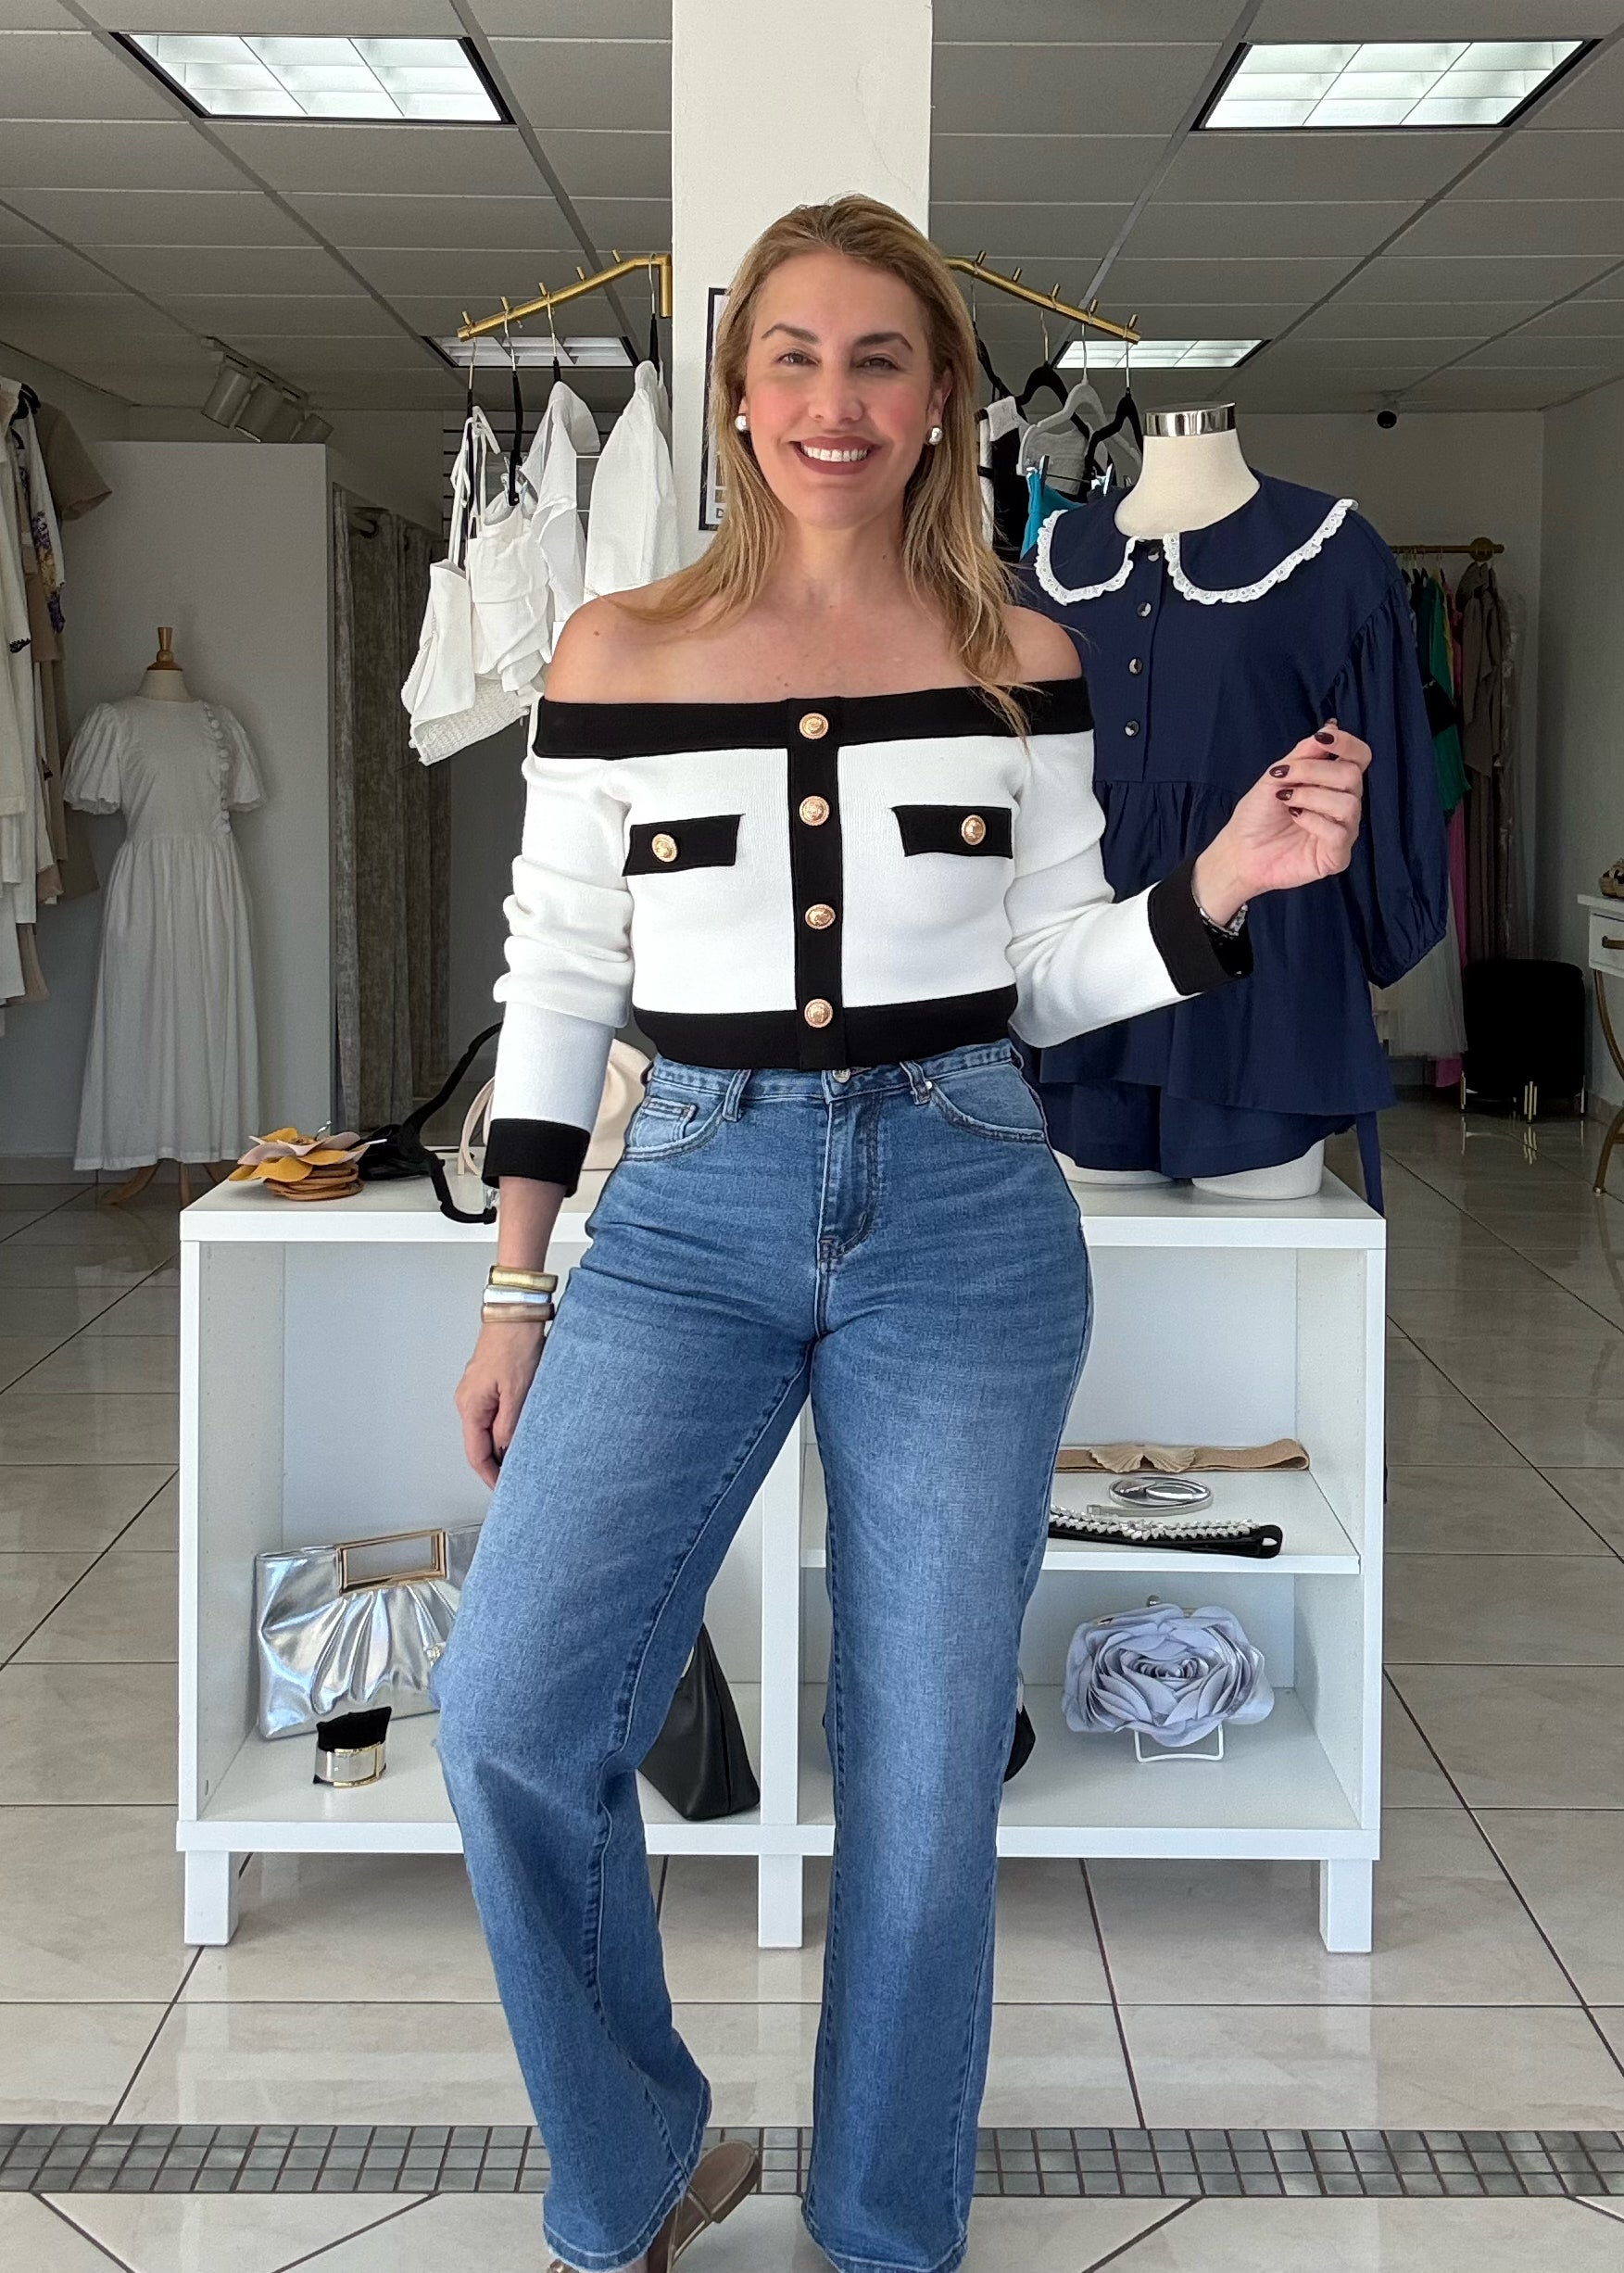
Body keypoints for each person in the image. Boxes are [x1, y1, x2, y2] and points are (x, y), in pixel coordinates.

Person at [432, 195, 1371, 2273]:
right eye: (791, 356)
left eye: (879, 359)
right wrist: (514, 1281)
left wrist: (1217, 883)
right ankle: (635, 2163)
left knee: (927, 1767)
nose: (831, 401)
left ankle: (884, 2231)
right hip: (683, 1206)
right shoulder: (616, 653)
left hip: (962, 1205)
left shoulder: (1018, 657)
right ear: (736, 393)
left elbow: (1045, 972)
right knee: (506, 1717)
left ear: (944, 396)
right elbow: (561, 977)